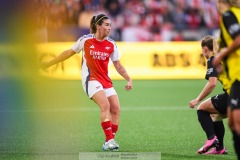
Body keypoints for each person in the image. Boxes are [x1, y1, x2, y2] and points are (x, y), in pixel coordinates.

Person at [40, 13, 133, 151]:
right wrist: (50, 63)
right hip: (91, 79)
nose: (109, 28)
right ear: (98, 26)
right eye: (106, 25)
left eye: (110, 25)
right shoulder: (85, 40)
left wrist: (129, 79)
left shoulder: (111, 44)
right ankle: (109, 141)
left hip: (105, 80)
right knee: (105, 105)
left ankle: (110, 141)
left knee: (116, 109)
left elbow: (118, 65)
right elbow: (68, 53)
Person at [189, 35, 230, 155]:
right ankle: (219, 148)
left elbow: (212, 83)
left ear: (205, 49)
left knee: (201, 108)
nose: (202, 52)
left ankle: (211, 139)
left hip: (234, 94)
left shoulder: (213, 59)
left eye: (202, 49)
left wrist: (197, 99)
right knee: (214, 115)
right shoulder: (224, 56)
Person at [212, 0, 240, 159]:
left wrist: (220, 56)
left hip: (238, 75)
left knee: (236, 124)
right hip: (235, 75)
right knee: (232, 123)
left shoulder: (228, 15)